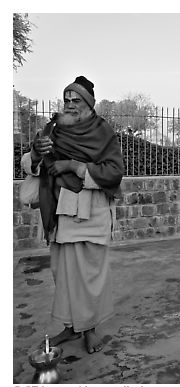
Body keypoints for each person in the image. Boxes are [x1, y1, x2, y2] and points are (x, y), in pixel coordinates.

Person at [21, 76, 124, 354]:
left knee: (89, 274)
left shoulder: (104, 133)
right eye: (66, 100)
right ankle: (70, 327)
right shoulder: (54, 129)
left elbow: (114, 172)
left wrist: (75, 165)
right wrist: (35, 152)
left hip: (91, 213)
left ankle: (90, 330)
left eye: (75, 100)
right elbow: (32, 164)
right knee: (63, 274)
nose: (69, 105)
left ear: (89, 104)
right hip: (60, 212)